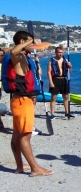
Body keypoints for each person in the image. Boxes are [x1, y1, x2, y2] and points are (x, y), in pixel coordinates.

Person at [1, 31, 53, 176]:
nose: (33, 45)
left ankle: (19, 166)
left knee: (17, 135)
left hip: (19, 101)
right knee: (25, 136)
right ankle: (35, 168)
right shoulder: (16, 56)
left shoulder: (22, 56)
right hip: (23, 101)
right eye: (29, 41)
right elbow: (16, 49)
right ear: (23, 41)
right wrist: (29, 42)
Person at [47, 46, 73, 119]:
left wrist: (70, 66)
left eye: (61, 52)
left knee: (65, 97)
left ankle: (67, 113)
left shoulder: (65, 60)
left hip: (63, 79)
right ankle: (52, 114)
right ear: (55, 52)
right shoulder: (51, 60)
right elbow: (49, 72)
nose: (60, 54)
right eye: (59, 52)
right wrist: (51, 82)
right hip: (55, 79)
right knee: (53, 97)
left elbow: (70, 71)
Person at [26, 51, 43, 135]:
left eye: (30, 53)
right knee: (29, 109)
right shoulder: (25, 62)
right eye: (28, 53)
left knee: (33, 108)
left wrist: (37, 62)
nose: (29, 54)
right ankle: (29, 127)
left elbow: (39, 73)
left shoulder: (32, 62)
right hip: (29, 88)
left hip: (34, 88)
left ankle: (31, 126)